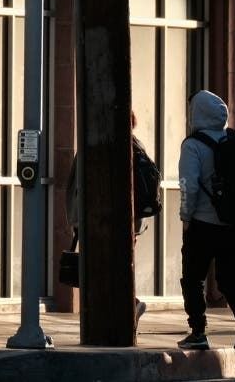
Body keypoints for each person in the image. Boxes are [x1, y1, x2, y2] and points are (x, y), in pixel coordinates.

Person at [177, 90, 235, 352]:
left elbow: (188, 186)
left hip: (203, 224)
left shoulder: (193, 145)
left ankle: (198, 331)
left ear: (195, 113)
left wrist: (185, 217)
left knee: (193, 279)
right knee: (229, 279)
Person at [64, 111, 149, 324]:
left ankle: (126, 307)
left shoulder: (97, 145)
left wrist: (76, 220)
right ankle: (123, 310)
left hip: (99, 219)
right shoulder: (136, 146)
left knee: (101, 269)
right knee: (117, 267)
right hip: (128, 222)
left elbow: (77, 187)